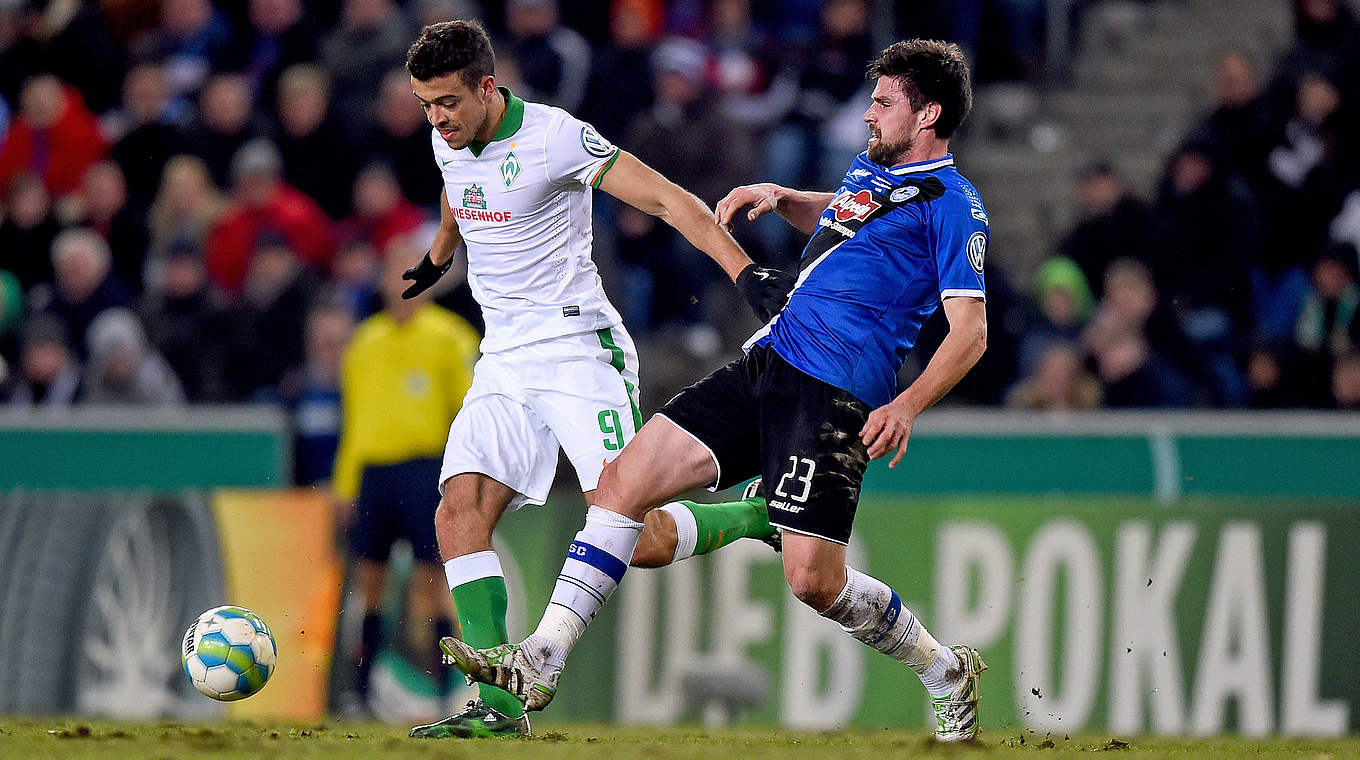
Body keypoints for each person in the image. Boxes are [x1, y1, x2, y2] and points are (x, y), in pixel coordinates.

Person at [442, 39, 991, 743]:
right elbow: (857, 217)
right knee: (621, 483)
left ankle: (944, 671)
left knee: (814, 582)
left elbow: (969, 332)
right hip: (768, 362)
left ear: (929, 114)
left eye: (884, 103)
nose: (868, 115)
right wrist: (790, 198)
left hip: (835, 398)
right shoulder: (876, 171)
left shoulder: (957, 205)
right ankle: (542, 661)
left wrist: (906, 405)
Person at [396, 20, 789, 739]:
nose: (436, 118)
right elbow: (459, 189)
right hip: (505, 359)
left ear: (488, 87)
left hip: (580, 348)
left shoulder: (556, 138)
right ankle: (499, 708)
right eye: (425, 105)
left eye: (447, 102)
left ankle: (756, 516)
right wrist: (439, 252)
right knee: (457, 515)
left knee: (632, 536)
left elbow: (670, 200)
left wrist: (744, 272)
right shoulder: (446, 138)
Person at [331, 238, 478, 715]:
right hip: (375, 473)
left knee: (430, 582)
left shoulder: (451, 339)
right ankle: (359, 693)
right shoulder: (364, 342)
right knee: (368, 582)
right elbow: (353, 422)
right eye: (393, 275)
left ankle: (448, 691)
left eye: (411, 274)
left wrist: (462, 478)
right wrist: (344, 484)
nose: (403, 285)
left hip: (424, 471)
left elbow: (467, 415)